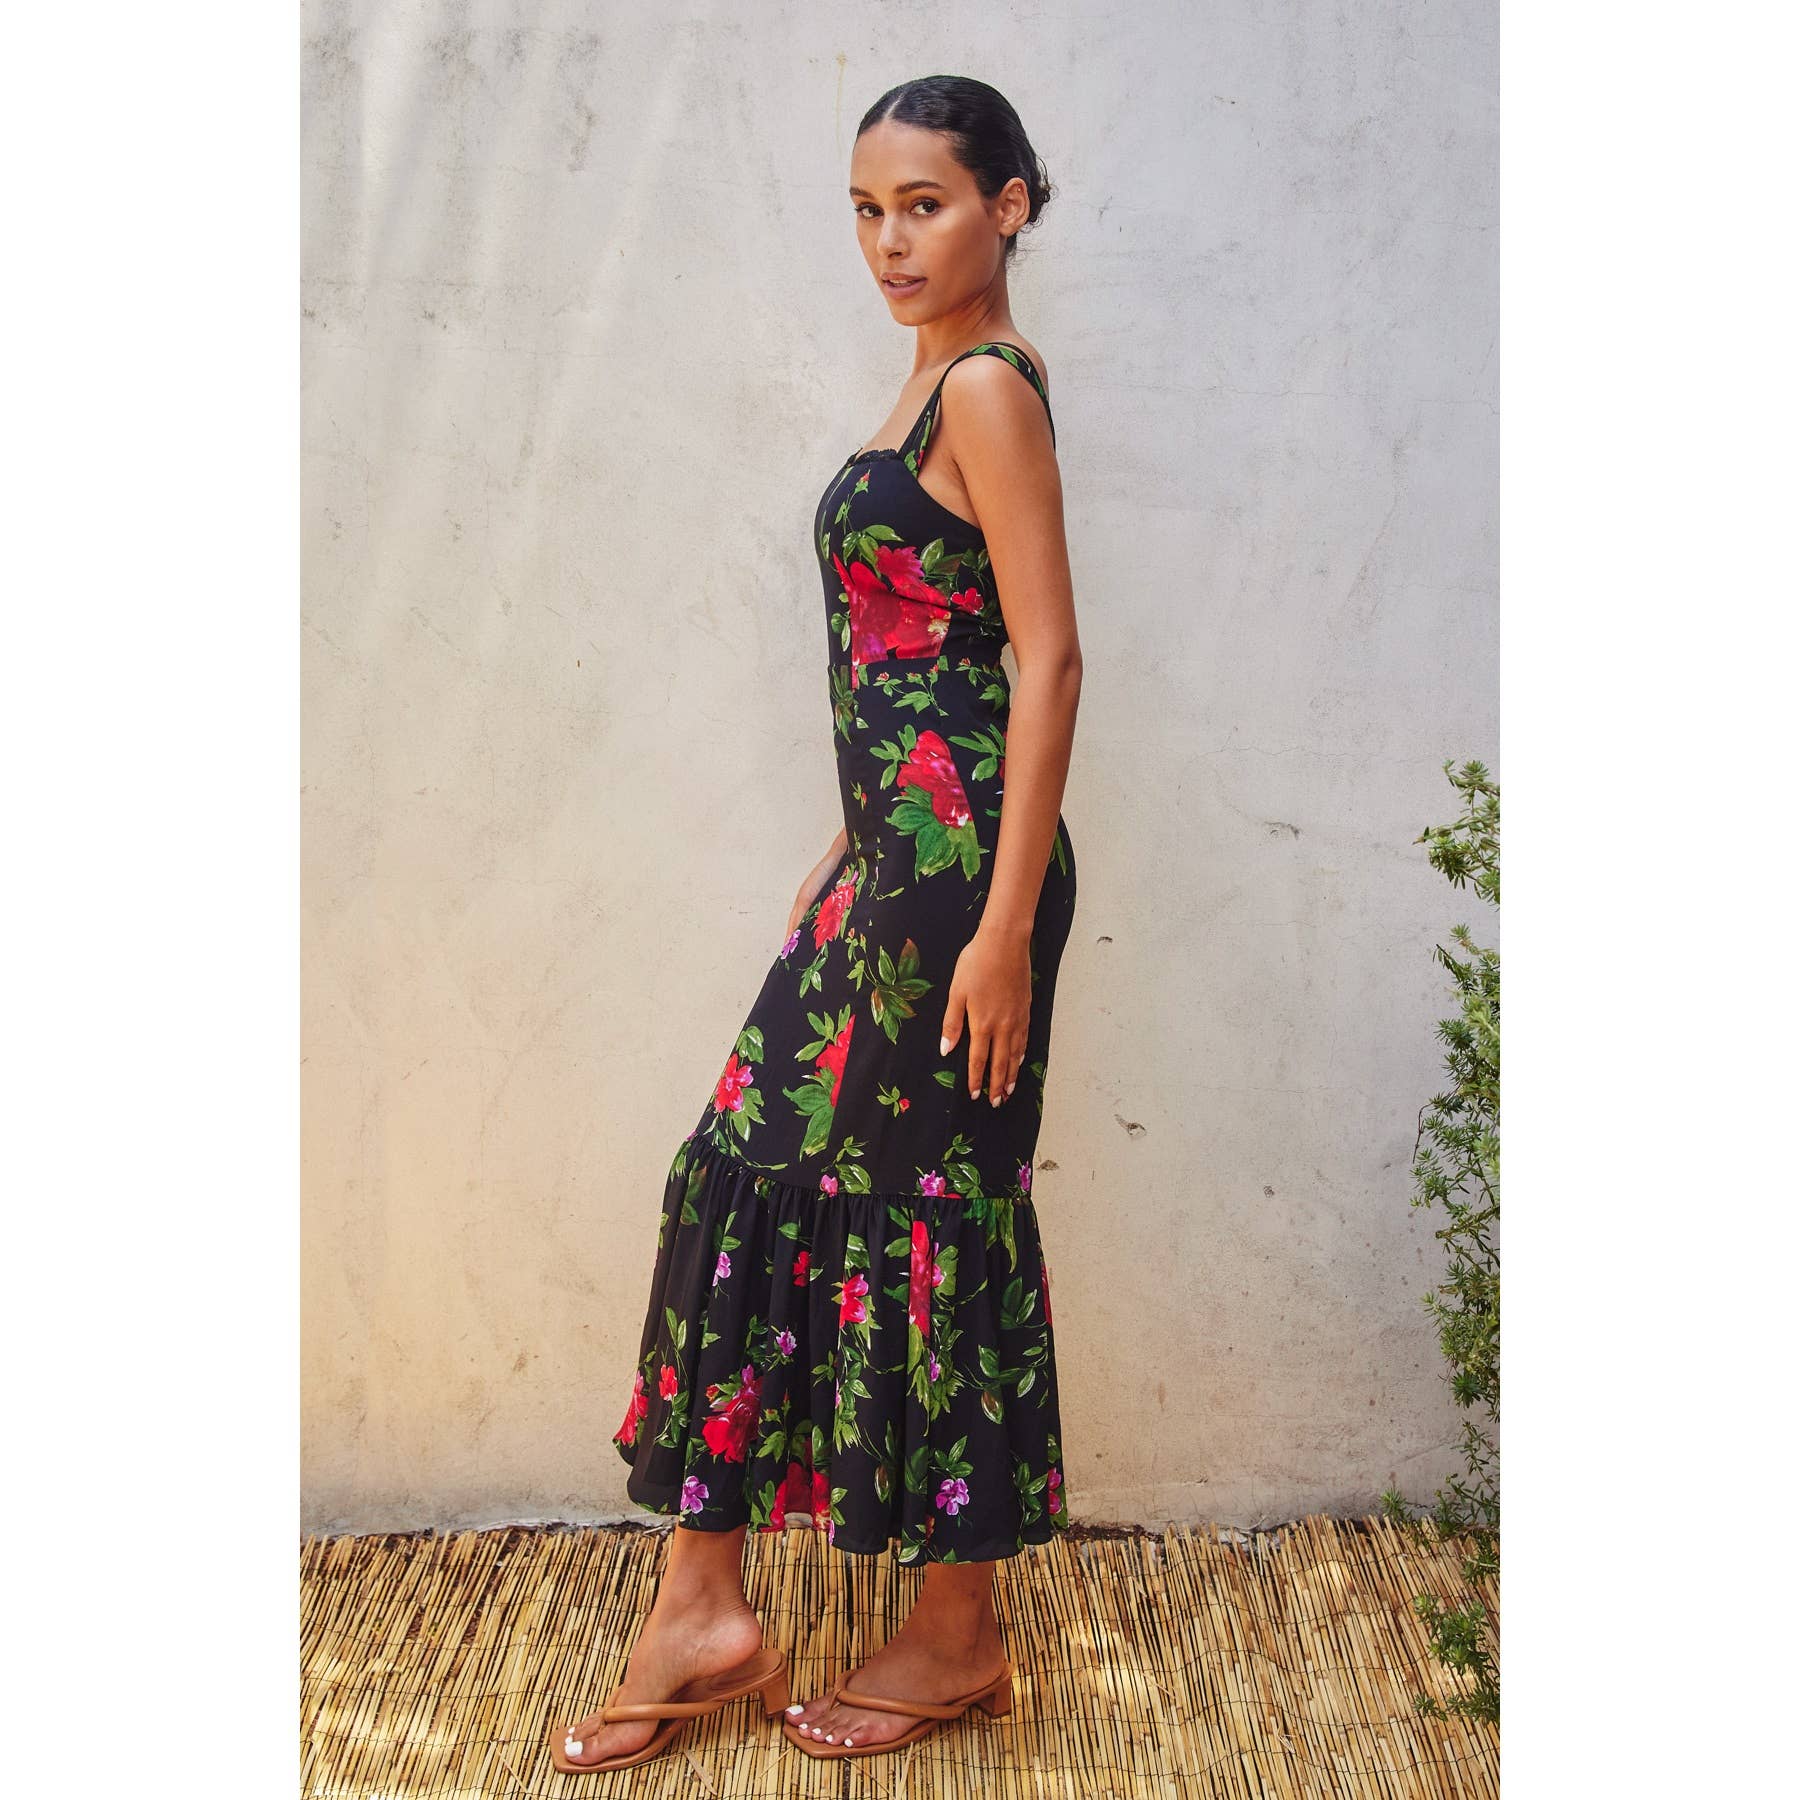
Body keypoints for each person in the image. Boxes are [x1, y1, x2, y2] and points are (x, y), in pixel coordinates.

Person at [553, 74, 1083, 1773]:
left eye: (925, 203)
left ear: (1008, 203)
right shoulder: (928, 381)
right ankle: (705, 1606)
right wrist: (850, 837)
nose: (890, 241)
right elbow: (924, 653)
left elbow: (1048, 660)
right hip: (897, 870)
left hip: (963, 892)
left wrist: (1002, 925)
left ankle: (958, 1639)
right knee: (748, 1171)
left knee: (932, 1220)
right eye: (867, 209)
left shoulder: (986, 389)